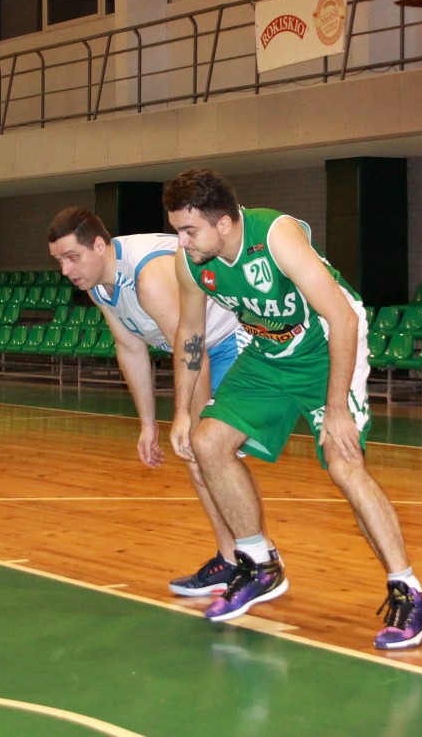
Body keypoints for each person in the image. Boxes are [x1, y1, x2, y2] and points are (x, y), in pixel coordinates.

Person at [163, 168, 422, 651]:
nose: (181, 242)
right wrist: (183, 411)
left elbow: (343, 318)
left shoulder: (277, 236)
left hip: (327, 347)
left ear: (224, 223)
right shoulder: (191, 263)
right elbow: (190, 332)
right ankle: (258, 563)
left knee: (344, 463)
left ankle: (409, 593)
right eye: (177, 231)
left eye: (189, 231)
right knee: (207, 443)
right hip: (268, 353)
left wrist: (336, 409)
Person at [47, 207, 260, 597]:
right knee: (199, 456)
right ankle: (235, 559)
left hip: (235, 340)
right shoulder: (98, 284)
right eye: (59, 261)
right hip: (202, 352)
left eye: (71, 257)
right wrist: (148, 424)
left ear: (100, 245)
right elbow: (129, 348)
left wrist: (185, 416)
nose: (66, 270)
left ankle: (255, 562)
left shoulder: (149, 277)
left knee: (207, 451)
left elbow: (194, 351)